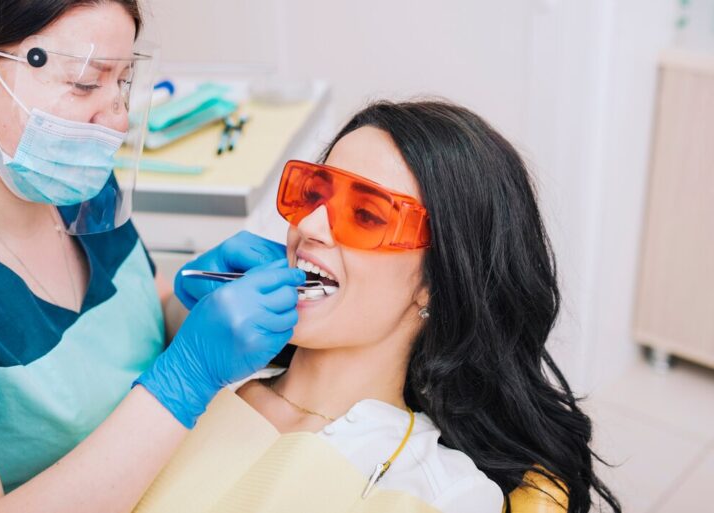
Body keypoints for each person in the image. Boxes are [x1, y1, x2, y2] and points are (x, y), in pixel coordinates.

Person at [141, 101, 622, 513]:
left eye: (367, 215)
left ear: (436, 282)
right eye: (314, 194)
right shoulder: (191, 386)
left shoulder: (445, 494)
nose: (309, 226)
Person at [0, 2, 304, 512]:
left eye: (123, 82)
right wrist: (185, 377)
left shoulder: (71, 179)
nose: (116, 118)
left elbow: (139, 308)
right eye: (87, 82)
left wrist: (192, 305)